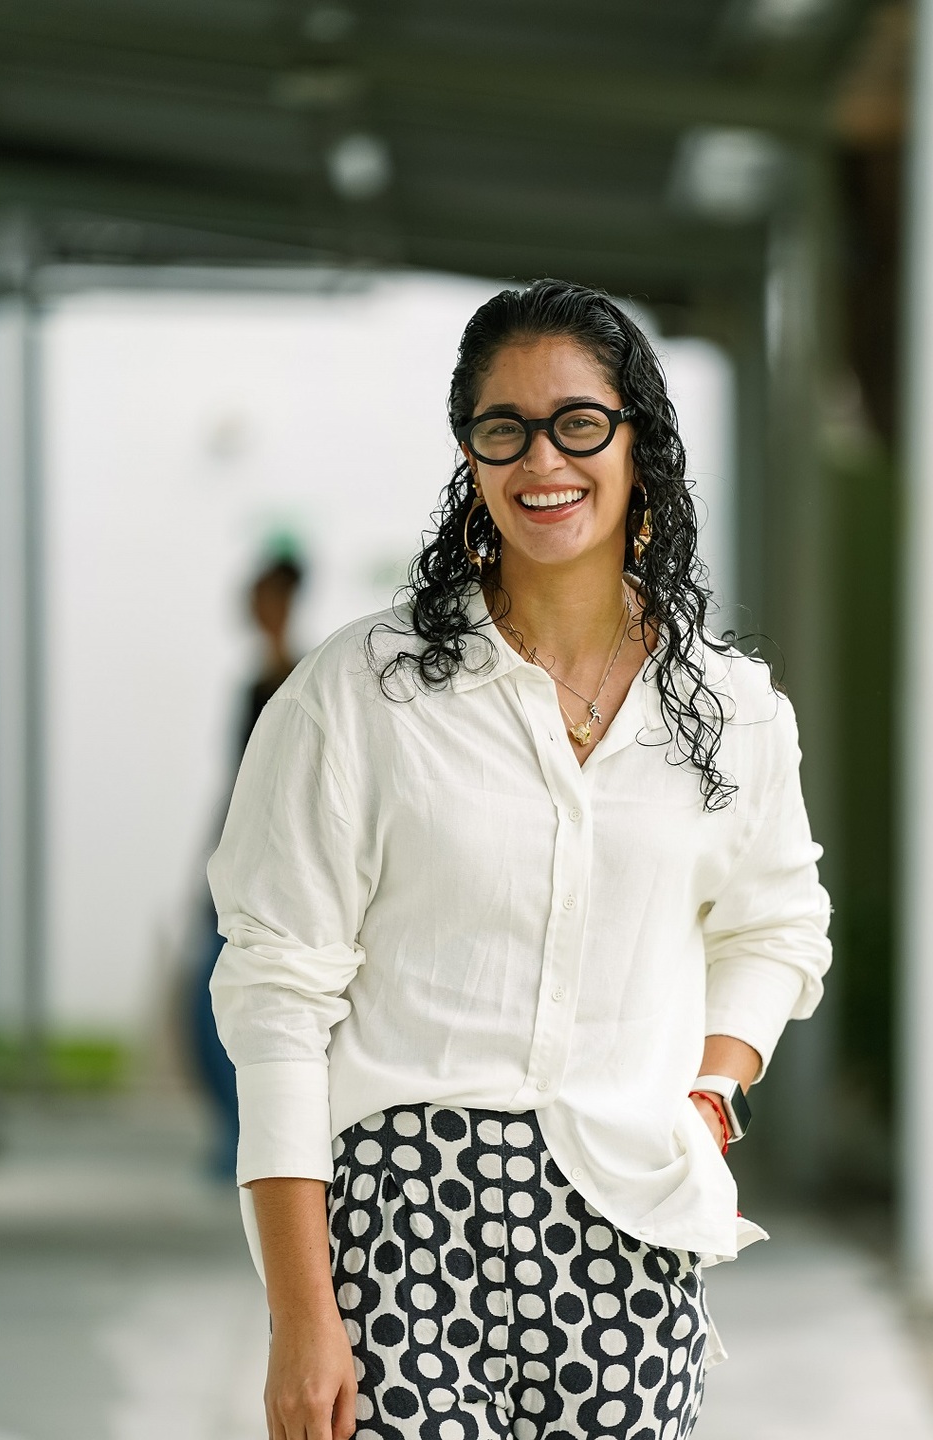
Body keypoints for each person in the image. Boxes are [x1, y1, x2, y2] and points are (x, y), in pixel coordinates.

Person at [208, 279, 832, 1440]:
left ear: (638, 440)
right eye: (507, 428)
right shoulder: (360, 695)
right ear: (471, 454)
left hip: (632, 1229)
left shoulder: (732, 710)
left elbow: (776, 924)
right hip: (402, 1234)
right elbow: (277, 997)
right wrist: (301, 1315)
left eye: (579, 423)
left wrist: (709, 1088)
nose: (544, 458)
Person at [188, 551, 305, 1177]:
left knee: (251, 1003)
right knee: (210, 1002)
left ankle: (254, 1140)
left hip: (277, 866)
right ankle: (237, 1135)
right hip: (237, 855)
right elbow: (237, 784)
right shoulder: (255, 681)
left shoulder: (300, 681)